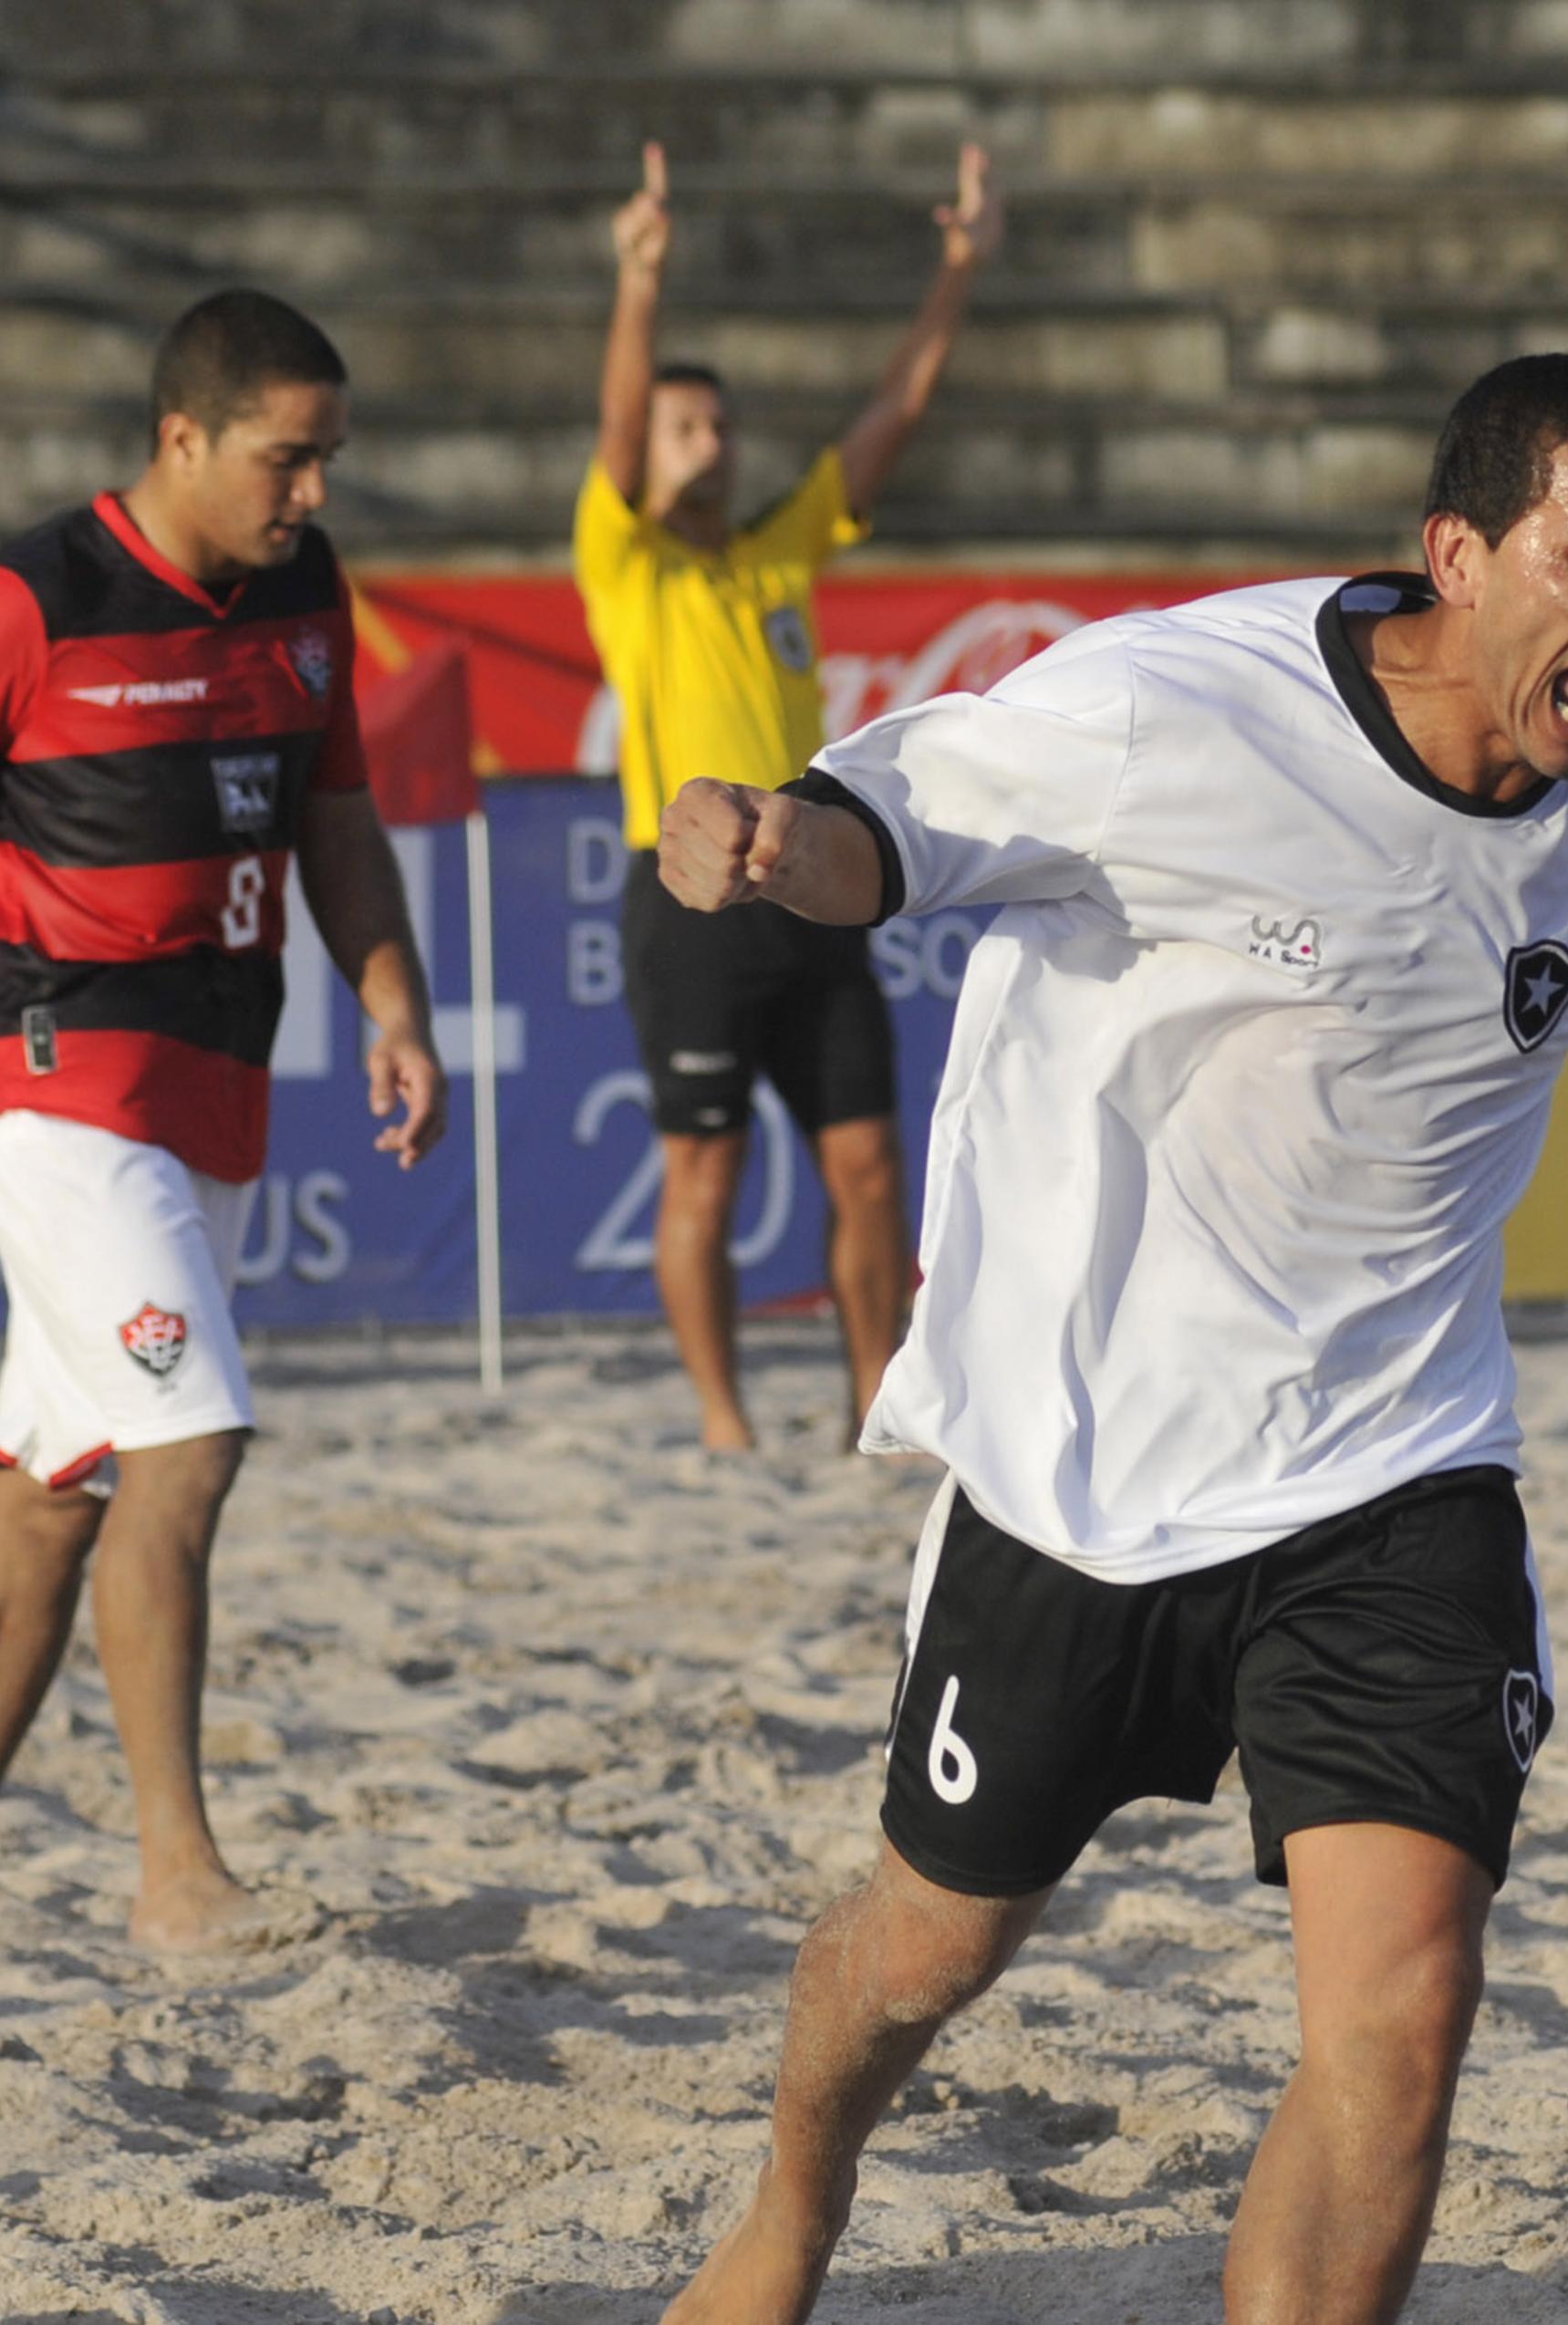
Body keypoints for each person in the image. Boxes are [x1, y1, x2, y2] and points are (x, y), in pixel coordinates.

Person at [648, 354, 1568, 2322]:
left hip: (1395, 1463)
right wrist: (764, 849)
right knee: (922, 1957)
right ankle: (789, 2214)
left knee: (1405, 2014)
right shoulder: (1169, 714)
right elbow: (884, 834)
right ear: (1457, 550)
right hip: (1090, 1475)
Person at [0, 289, 447, 1953]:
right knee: (186, 1446)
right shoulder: (22, 601)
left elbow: (335, 811)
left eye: (331, 460)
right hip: (52, 1087)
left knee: (52, 1487)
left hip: (210, 1091)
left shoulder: (306, 595)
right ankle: (176, 1873)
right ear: (183, 439)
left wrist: (394, 998)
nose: (314, 495)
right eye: (289, 460)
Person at [578, 138, 1002, 1452]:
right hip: (693, 898)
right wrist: (640, 283)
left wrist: (958, 275)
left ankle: (874, 1399)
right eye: (683, 426)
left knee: (870, 1165)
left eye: (719, 424)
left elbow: (894, 421)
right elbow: (613, 431)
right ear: (647, 451)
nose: (710, 443)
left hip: (805, 885)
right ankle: (722, 1423)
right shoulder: (628, 563)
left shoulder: (776, 552)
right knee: (704, 1169)